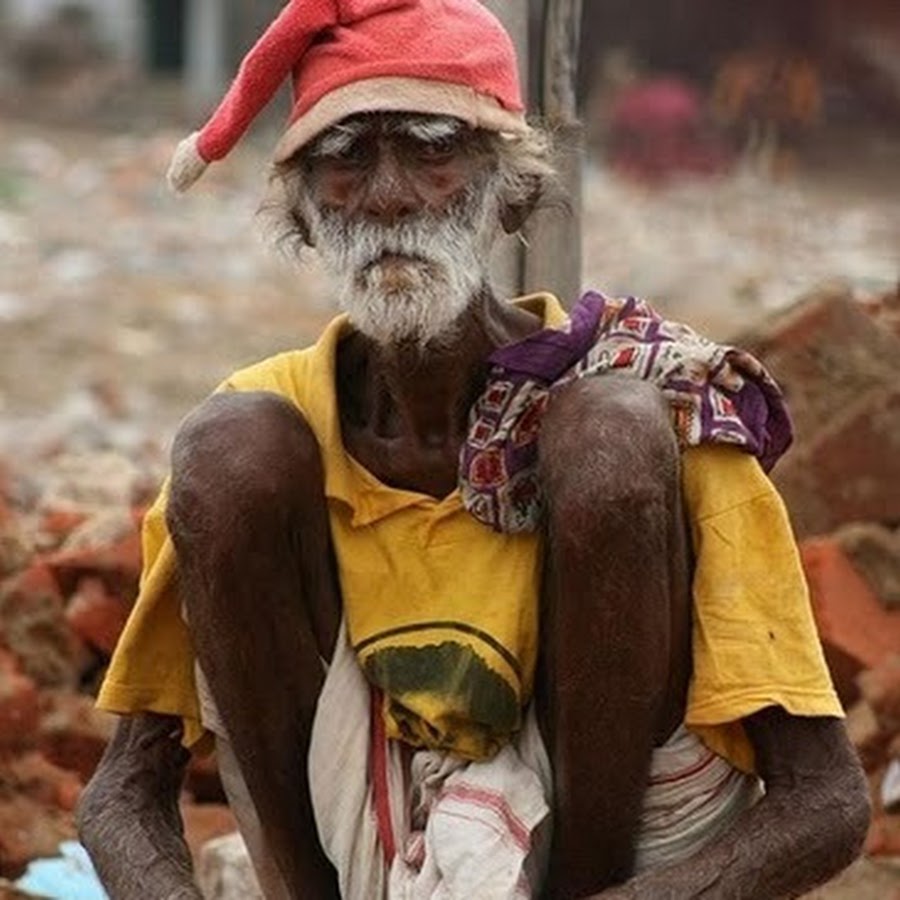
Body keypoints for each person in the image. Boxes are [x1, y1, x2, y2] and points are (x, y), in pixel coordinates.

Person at [77, 2, 869, 898]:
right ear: (299, 213)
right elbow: (121, 795)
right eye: (344, 159)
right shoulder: (264, 433)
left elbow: (829, 800)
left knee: (609, 436)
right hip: (349, 863)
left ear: (512, 190)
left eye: (431, 149)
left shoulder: (658, 414)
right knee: (227, 450)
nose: (388, 196)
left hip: (625, 864)